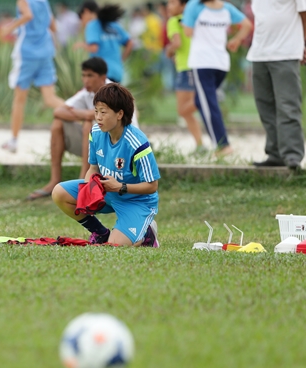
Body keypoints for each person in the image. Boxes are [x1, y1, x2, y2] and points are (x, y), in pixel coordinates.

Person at [52, 83, 160, 247]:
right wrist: (89, 191)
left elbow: (152, 186)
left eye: (103, 112)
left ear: (119, 114)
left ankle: (147, 234)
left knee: (115, 246)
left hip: (136, 200)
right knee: (59, 193)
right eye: (96, 111)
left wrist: (120, 187)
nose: (98, 117)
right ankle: (100, 232)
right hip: (107, 192)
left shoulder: (137, 143)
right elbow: (93, 168)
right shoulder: (96, 132)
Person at [27, 57, 108, 200]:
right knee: (58, 123)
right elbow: (58, 111)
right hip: (94, 147)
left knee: (89, 126)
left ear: (103, 77)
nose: (85, 80)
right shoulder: (86, 93)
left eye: (90, 75)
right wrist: (85, 114)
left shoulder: (112, 92)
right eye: (83, 75)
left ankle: (84, 181)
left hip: (116, 149)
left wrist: (87, 117)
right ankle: (54, 181)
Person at [182, 0, 252, 156]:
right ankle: (218, 142)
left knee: (209, 104)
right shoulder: (226, 8)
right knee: (202, 101)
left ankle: (222, 145)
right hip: (221, 63)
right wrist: (236, 40)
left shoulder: (194, 6)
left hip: (202, 62)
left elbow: (187, 32)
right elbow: (247, 25)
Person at [0, 0, 64, 153]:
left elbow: (27, 15)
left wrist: (9, 28)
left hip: (27, 55)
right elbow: (53, 27)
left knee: (19, 100)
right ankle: (83, 115)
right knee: (50, 99)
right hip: (46, 53)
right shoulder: (44, 2)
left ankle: (14, 140)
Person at [249, 0, 306, 171]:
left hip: (285, 52)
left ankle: (292, 156)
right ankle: (275, 154)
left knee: (288, 106)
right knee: (265, 107)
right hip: (259, 53)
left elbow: (304, 12)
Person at [165, 0, 203, 150]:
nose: (169, 6)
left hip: (186, 69)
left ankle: (208, 101)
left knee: (183, 110)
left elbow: (177, 43)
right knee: (186, 112)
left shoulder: (174, 21)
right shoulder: (193, 21)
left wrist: (169, 51)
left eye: (173, 3)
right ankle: (199, 144)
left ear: (183, 6)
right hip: (197, 66)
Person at [75, 2, 133, 84]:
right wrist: (120, 60)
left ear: (86, 12)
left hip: (101, 73)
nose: (82, 22)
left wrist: (81, 45)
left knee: (100, 96)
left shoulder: (92, 25)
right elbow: (130, 43)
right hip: (117, 72)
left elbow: (94, 48)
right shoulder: (113, 25)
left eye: (81, 18)